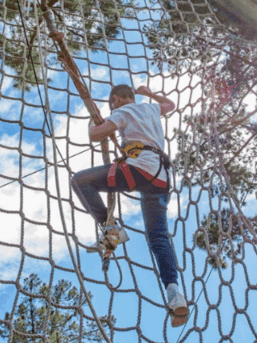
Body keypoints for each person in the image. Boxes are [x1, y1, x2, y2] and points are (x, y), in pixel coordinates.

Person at [71, 84, 188, 327]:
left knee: (81, 182)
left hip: (140, 171)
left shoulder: (122, 111)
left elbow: (95, 135)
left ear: (115, 99)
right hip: (162, 177)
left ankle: (110, 228)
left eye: (112, 103)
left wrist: (93, 123)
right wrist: (150, 93)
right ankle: (175, 295)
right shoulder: (151, 108)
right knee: (158, 236)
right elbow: (171, 105)